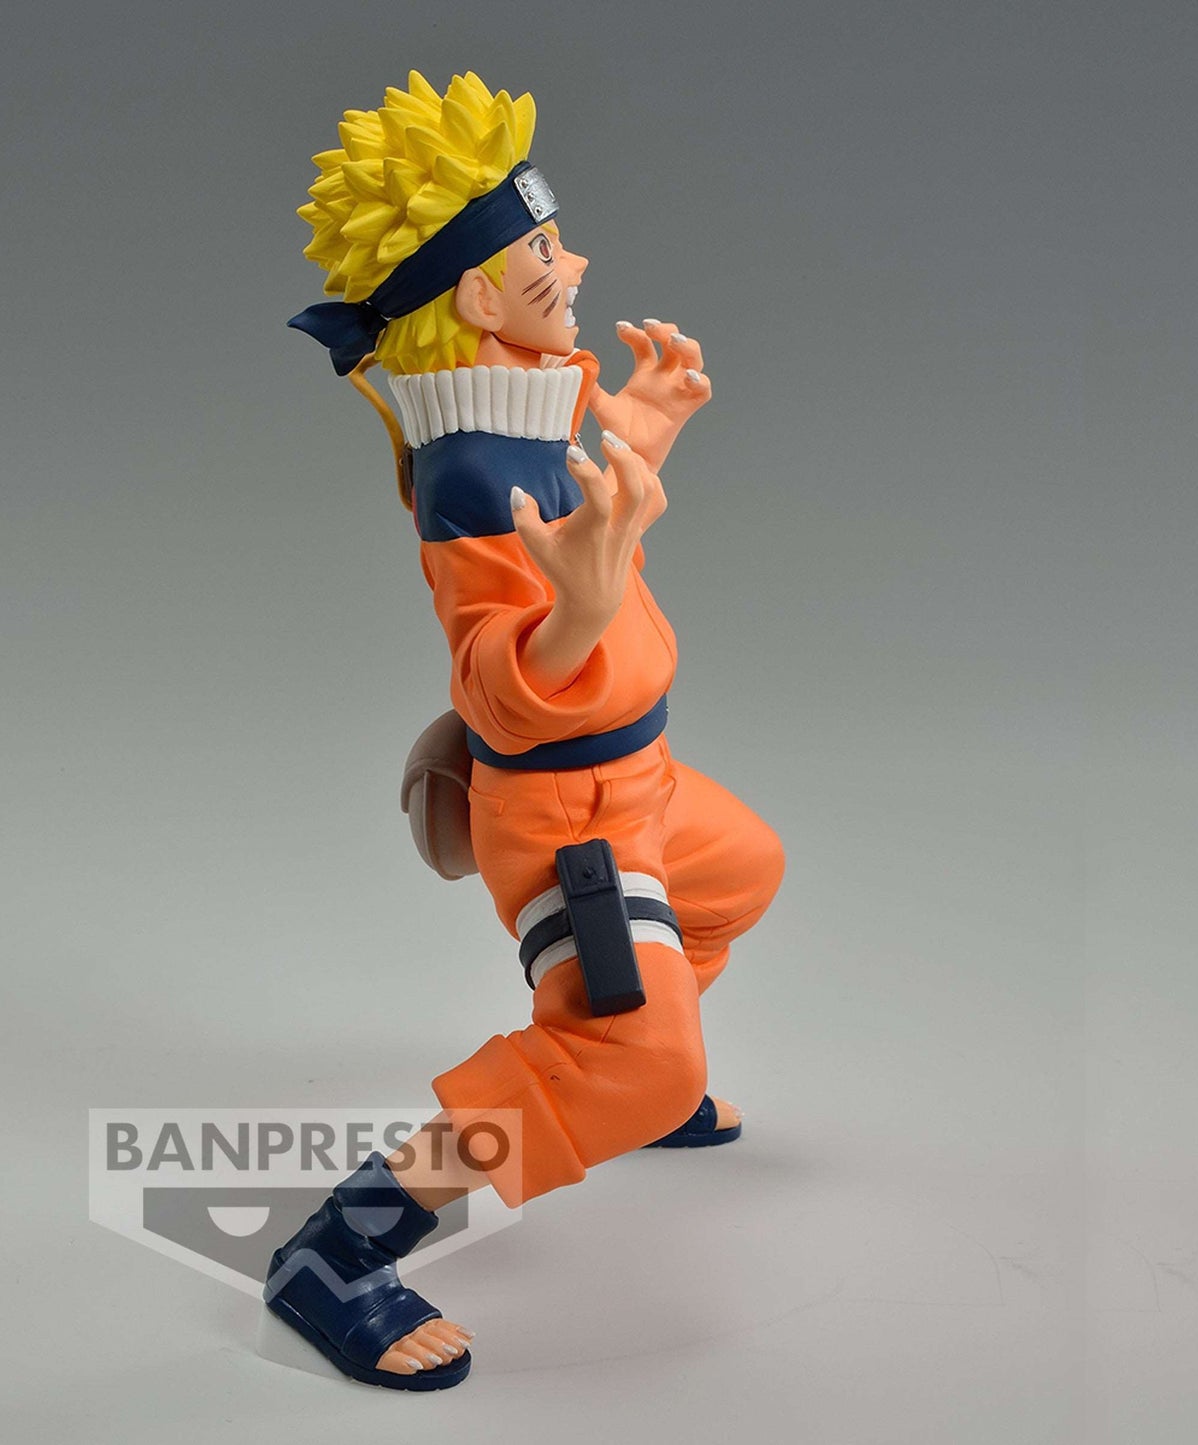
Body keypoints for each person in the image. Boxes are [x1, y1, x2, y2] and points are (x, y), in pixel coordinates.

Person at [265, 71, 785, 1390]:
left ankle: (632, 1058)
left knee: (741, 870)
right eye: (541, 248)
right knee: (638, 1058)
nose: (575, 263)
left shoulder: (527, 410)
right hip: (571, 820)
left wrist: (642, 440)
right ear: (478, 300)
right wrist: (586, 606)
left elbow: (587, 524)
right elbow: (496, 679)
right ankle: (339, 1249)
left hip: (642, 779)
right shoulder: (472, 471)